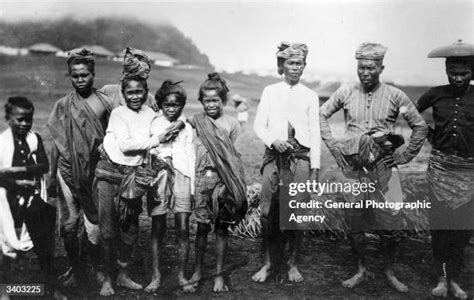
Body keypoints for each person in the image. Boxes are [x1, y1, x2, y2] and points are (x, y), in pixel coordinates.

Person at [319, 42, 428, 292]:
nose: (365, 72)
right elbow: (321, 114)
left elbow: (420, 125)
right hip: (353, 169)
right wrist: (335, 147)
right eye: (361, 67)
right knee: (355, 223)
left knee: (389, 224)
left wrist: (404, 155)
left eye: (371, 68)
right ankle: (361, 270)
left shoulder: (395, 95)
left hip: (385, 167)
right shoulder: (345, 91)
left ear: (381, 67)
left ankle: (388, 271)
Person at [94, 75, 179, 296]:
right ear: (123, 94)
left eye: (139, 92)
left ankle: (123, 275)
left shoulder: (151, 114)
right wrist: (157, 140)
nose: (134, 96)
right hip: (109, 174)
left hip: (133, 177)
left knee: (130, 229)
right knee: (108, 230)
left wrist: (161, 149)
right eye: (130, 92)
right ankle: (108, 279)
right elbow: (125, 146)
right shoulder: (118, 114)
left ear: (146, 92)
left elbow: (162, 134)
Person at [252, 42, 320, 283]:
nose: (295, 67)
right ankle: (268, 264)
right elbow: (259, 125)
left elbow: (315, 134)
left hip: (300, 158)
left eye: (299, 63)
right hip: (274, 156)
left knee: (298, 212)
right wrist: (274, 140)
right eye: (290, 63)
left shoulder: (310, 95)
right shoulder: (270, 91)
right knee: (267, 210)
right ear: (283, 65)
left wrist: (315, 168)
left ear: (304, 66)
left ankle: (292, 264)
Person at [47, 48, 113, 287]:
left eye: (85, 74)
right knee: (68, 224)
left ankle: (95, 266)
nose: (80, 79)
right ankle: (76, 269)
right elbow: (57, 143)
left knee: (93, 225)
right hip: (66, 171)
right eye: (75, 75)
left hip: (96, 173)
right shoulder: (63, 105)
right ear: (70, 76)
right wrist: (51, 176)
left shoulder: (105, 103)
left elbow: (112, 138)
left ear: (93, 74)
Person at [417, 40, 474, 299]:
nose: (458, 78)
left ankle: (455, 280)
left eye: (464, 73)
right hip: (439, 170)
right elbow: (410, 113)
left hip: (469, 174)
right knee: (440, 229)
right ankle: (441, 278)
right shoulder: (436, 94)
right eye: (453, 73)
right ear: (446, 71)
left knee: (461, 231)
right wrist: (429, 135)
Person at [187, 73, 247, 293]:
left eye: (215, 100)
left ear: (223, 101)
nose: (211, 104)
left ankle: (220, 274)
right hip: (202, 179)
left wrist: (233, 186)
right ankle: (197, 271)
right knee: (201, 228)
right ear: (201, 101)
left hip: (223, 182)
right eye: (206, 100)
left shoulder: (231, 124)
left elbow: (234, 157)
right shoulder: (195, 121)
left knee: (222, 230)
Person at [0, 97, 64, 299]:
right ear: (8, 118)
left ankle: (49, 290)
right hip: (7, 199)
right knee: (7, 245)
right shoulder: (2, 143)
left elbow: (43, 166)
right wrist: (17, 183)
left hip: (34, 196)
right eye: (19, 119)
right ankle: (6, 291)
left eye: (28, 119)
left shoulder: (34, 138)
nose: (24, 124)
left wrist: (16, 169)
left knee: (43, 245)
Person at [144, 80, 195, 293]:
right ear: (160, 105)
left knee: (183, 228)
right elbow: (150, 152)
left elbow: (191, 157)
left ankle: (182, 275)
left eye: (176, 105)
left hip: (183, 177)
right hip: (159, 177)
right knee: (158, 227)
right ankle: (156, 276)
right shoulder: (154, 124)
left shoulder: (187, 127)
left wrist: (192, 190)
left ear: (182, 106)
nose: (171, 109)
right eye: (167, 105)